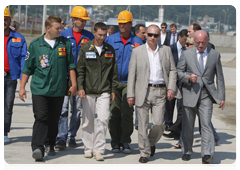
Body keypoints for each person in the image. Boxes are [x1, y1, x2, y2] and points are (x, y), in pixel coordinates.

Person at [19, 15, 77, 161]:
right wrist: (22, 87)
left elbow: (71, 65)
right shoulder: (36, 45)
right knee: (41, 117)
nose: (60, 30)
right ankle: (38, 147)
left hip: (58, 89)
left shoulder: (65, 44)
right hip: (40, 88)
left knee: (53, 119)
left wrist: (74, 84)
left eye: (61, 28)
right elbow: (27, 68)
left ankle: (50, 143)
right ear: (48, 28)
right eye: (58, 28)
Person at [127, 24, 180, 163]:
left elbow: (173, 70)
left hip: (160, 91)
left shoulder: (166, 50)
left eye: (155, 35)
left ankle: (150, 142)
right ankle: (144, 152)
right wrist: (130, 94)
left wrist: (171, 88)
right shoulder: (137, 52)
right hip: (142, 91)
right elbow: (131, 74)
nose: (152, 37)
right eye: (150, 34)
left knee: (158, 124)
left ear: (159, 36)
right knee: (142, 125)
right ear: (146, 35)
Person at [177, 30, 225, 165]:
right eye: (197, 42)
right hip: (189, 93)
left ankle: (207, 153)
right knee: (188, 125)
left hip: (206, 95)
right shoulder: (186, 54)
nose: (200, 45)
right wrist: (188, 77)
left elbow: (220, 78)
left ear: (208, 40)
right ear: (194, 41)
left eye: (203, 42)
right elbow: (179, 72)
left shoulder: (215, 55)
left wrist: (221, 97)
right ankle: (187, 150)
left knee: (206, 124)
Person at [77, 22, 119, 161]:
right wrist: (80, 87)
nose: (102, 37)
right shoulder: (85, 48)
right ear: (94, 32)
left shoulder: (109, 49)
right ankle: (88, 148)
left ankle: (99, 150)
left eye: (104, 34)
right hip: (88, 90)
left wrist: (113, 89)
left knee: (103, 118)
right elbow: (81, 70)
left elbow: (114, 72)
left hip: (104, 90)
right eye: (100, 34)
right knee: (88, 120)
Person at [56, 6, 94, 149]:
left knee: (77, 110)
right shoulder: (63, 34)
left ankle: (72, 136)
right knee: (63, 109)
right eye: (81, 20)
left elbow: (92, 58)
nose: (84, 23)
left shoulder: (89, 37)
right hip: (64, 78)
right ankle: (61, 137)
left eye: (85, 20)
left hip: (80, 79)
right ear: (73, 20)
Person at [105, 10, 143, 154]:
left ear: (130, 24)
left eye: (125, 23)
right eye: (120, 23)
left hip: (130, 83)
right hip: (114, 82)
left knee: (127, 112)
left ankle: (125, 140)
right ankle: (115, 142)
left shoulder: (138, 42)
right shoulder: (110, 40)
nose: (122, 26)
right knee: (114, 112)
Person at [187, 23, 220, 145]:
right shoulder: (188, 50)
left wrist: (220, 96)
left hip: (205, 92)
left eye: (190, 31)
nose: (187, 33)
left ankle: (209, 149)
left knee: (205, 121)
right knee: (188, 121)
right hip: (190, 91)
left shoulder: (211, 51)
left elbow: (218, 76)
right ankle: (184, 144)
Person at [164, 36, 195, 149]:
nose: (185, 46)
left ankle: (175, 130)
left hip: (194, 92)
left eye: (188, 44)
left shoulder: (197, 57)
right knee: (183, 114)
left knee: (198, 119)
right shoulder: (185, 56)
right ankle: (180, 138)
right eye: (185, 44)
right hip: (184, 90)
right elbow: (179, 72)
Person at [4, 7, 27, 144]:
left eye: (5, 19)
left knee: (8, 105)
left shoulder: (19, 38)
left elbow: (24, 57)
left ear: (9, 20)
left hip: (10, 77)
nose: (3, 22)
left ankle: (4, 132)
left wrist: (23, 77)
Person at [164, 29, 188, 132]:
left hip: (183, 81)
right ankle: (168, 123)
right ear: (179, 38)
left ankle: (178, 126)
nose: (186, 42)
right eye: (184, 39)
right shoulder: (170, 48)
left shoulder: (187, 49)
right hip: (172, 80)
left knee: (180, 105)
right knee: (169, 103)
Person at [133, 23, 146, 130]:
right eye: (143, 33)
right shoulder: (134, 43)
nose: (145, 35)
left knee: (139, 100)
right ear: (136, 33)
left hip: (140, 77)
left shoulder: (145, 44)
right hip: (131, 76)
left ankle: (138, 122)